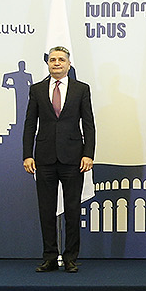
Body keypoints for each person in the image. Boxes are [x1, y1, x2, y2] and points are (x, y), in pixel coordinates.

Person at [22, 46, 95, 272]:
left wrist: (88, 154)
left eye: (61, 60)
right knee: (46, 210)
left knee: (72, 210)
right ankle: (50, 257)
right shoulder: (36, 89)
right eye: (52, 59)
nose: (56, 63)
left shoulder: (81, 89)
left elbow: (89, 124)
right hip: (44, 158)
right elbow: (30, 124)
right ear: (48, 64)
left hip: (73, 158)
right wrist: (27, 154)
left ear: (68, 64)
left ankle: (71, 258)